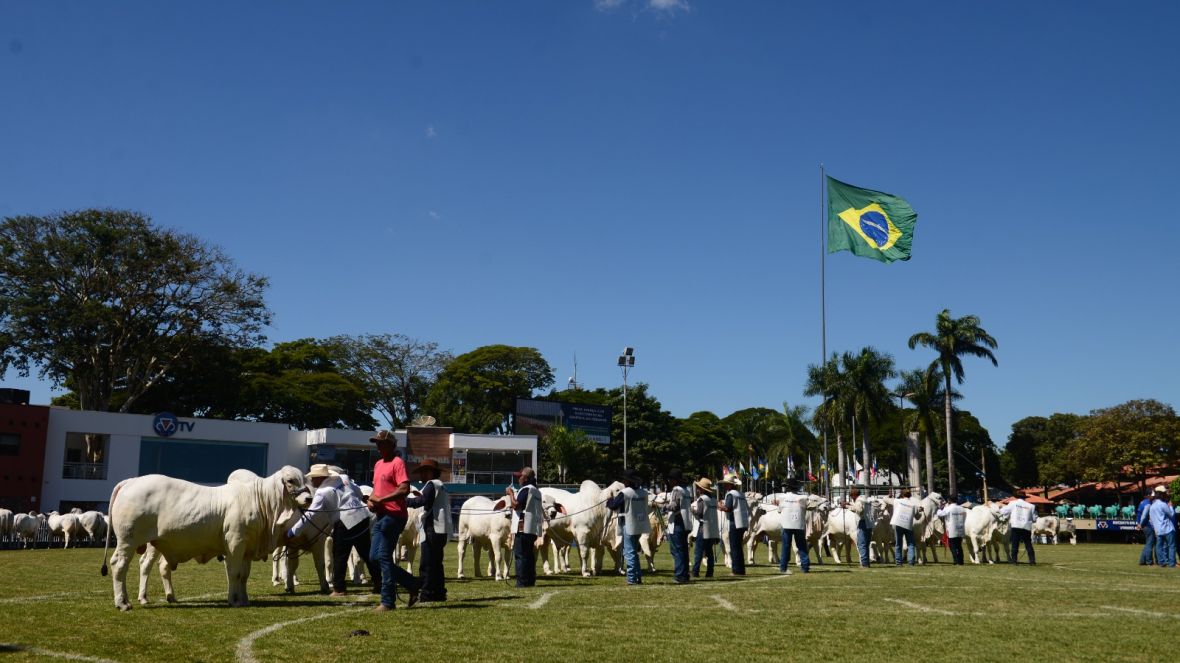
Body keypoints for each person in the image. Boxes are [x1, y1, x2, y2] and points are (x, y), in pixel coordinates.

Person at [286, 464, 380, 596]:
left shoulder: (322, 492)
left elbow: (311, 514)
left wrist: (294, 531)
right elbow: (358, 493)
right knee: (366, 553)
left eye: (313, 478)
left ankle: (339, 588)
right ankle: (379, 583)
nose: (311, 481)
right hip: (362, 517)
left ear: (320, 477)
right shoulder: (344, 478)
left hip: (345, 522)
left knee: (339, 555)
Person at [367, 429, 421, 611]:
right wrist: (371, 500)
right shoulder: (378, 464)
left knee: (382, 557)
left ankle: (388, 601)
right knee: (374, 558)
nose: (379, 446)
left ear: (391, 445)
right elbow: (376, 490)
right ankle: (412, 583)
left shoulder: (398, 463)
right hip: (381, 515)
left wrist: (382, 500)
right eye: (377, 443)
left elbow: (404, 489)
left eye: (382, 443)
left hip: (394, 515)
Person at [405, 459, 450, 602]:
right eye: (421, 472)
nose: (422, 475)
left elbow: (423, 501)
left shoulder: (432, 485)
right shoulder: (441, 486)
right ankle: (439, 593)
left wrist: (404, 501)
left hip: (432, 528)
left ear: (432, 472)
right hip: (440, 529)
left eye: (425, 471)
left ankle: (427, 593)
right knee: (436, 563)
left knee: (427, 563)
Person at [606, 469, 650, 585]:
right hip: (639, 524)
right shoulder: (643, 492)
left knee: (629, 552)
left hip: (628, 524)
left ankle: (631, 578)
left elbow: (613, 506)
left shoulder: (625, 493)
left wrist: (609, 499)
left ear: (627, 481)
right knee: (634, 552)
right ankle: (638, 576)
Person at [505, 466, 543, 587]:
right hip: (532, 528)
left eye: (520, 476)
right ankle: (530, 581)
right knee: (529, 556)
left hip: (522, 527)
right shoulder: (536, 491)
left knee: (520, 555)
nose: (518, 479)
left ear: (526, 478)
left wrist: (510, 494)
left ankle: (522, 582)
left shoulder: (526, 489)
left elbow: (516, 505)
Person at [661, 468, 692, 584]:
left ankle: (679, 575)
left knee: (676, 550)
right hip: (686, 522)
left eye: (670, 479)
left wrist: (664, 506)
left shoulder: (676, 490)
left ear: (674, 480)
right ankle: (685, 574)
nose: (669, 481)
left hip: (677, 522)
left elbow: (674, 506)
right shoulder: (686, 490)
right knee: (683, 550)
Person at [775, 479, 810, 574]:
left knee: (786, 546)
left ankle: (783, 567)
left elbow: (779, 510)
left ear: (787, 487)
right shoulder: (803, 497)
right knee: (801, 546)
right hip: (799, 524)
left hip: (786, 524)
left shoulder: (782, 497)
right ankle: (805, 567)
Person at [716, 474, 748, 575]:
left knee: (734, 548)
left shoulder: (731, 494)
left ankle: (736, 570)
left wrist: (720, 506)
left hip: (734, 523)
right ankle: (741, 569)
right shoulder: (741, 494)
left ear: (730, 485)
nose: (724, 486)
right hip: (742, 523)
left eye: (726, 484)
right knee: (738, 548)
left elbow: (728, 508)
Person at [1140, 485, 1176, 568]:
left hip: (1158, 530)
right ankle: (1171, 563)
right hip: (1167, 529)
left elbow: (1151, 520)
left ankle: (1161, 562)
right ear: (1161, 494)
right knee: (1171, 546)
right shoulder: (1163, 504)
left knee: (1159, 547)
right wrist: (1170, 507)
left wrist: (1155, 528)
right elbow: (1171, 515)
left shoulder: (1152, 506)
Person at [691, 477, 719, 578]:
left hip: (702, 528)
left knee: (698, 551)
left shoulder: (702, 500)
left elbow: (699, 514)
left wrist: (692, 510)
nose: (698, 488)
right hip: (711, 529)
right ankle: (710, 572)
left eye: (699, 487)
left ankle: (695, 571)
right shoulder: (713, 500)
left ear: (702, 489)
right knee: (709, 552)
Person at [1000, 495, 1037, 565]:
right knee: (1028, 544)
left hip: (1016, 525)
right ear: (1025, 498)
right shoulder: (1031, 506)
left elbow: (1003, 512)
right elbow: (1034, 519)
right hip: (1026, 526)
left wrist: (1000, 508)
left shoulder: (1013, 503)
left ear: (1017, 497)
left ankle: (1014, 561)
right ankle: (1032, 561)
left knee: (1015, 544)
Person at [891, 489, 922, 567]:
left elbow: (885, 499)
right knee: (911, 544)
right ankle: (911, 562)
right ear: (910, 495)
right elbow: (917, 517)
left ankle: (898, 562)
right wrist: (920, 511)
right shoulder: (914, 505)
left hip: (898, 524)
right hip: (908, 525)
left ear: (902, 495)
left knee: (898, 544)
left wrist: (889, 495)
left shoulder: (897, 501)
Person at [935, 496, 968, 565]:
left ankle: (956, 561)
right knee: (959, 546)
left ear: (949, 501)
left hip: (952, 529)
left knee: (952, 546)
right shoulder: (962, 508)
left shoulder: (949, 508)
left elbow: (939, 514)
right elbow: (964, 517)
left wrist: (940, 508)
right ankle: (961, 561)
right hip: (960, 528)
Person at [848, 489, 874, 568]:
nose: (852, 498)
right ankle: (866, 562)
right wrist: (849, 505)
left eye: (852, 497)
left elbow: (859, 510)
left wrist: (847, 506)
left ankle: (864, 563)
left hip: (863, 522)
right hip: (869, 523)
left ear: (854, 495)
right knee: (866, 544)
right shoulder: (865, 499)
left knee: (861, 544)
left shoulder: (859, 501)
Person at [1136, 491, 1156, 566]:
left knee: (1148, 543)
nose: (1153, 497)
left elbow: (1138, 513)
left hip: (1144, 525)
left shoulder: (1142, 502)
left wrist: (1138, 523)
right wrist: (1140, 524)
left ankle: (1142, 561)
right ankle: (1149, 561)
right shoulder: (1148, 504)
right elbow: (1144, 516)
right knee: (1150, 544)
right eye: (1152, 495)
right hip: (1147, 525)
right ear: (1148, 495)